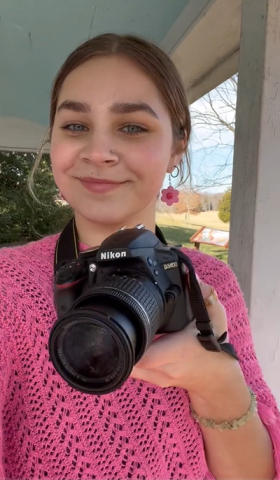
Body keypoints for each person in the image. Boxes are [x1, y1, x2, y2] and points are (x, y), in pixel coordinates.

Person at [0, 33, 279, 480]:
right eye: (75, 126)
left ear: (177, 146)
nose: (98, 152)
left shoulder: (209, 283)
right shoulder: (7, 287)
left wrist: (215, 381)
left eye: (132, 127)